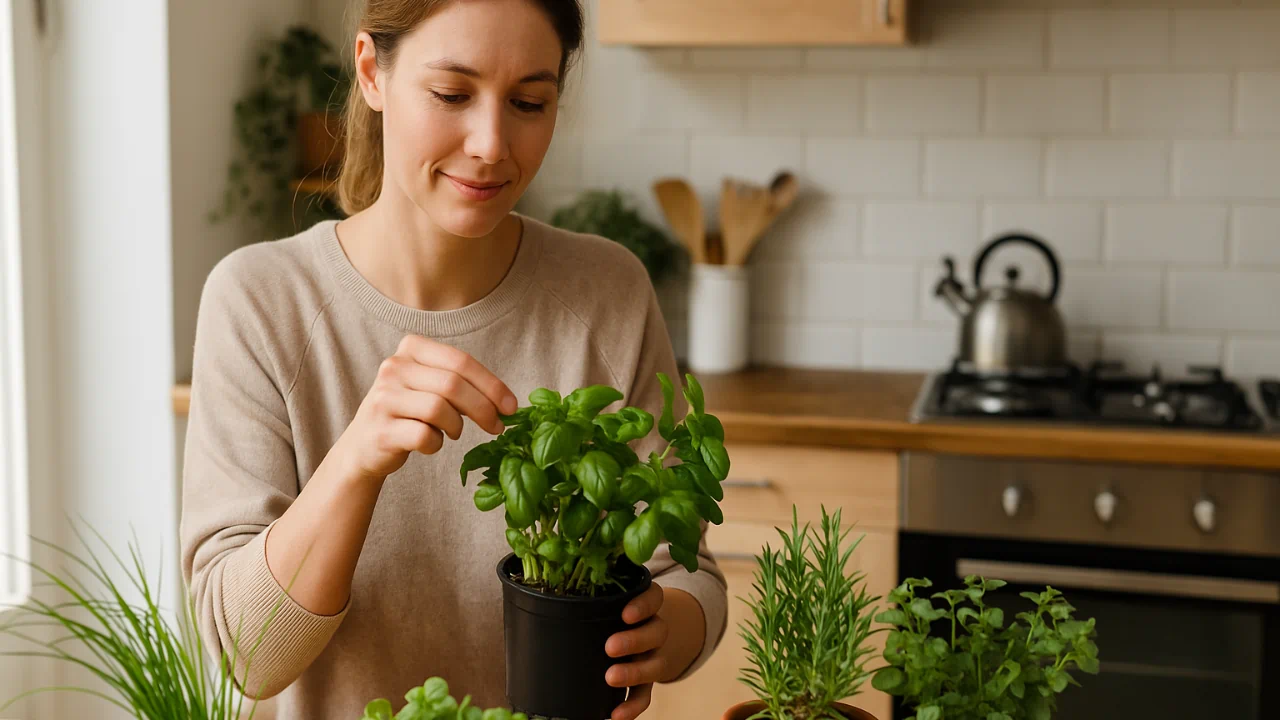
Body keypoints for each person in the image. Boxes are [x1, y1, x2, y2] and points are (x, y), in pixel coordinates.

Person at [178, 1, 728, 719]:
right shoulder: (260, 301)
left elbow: (686, 573)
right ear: (373, 72)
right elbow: (248, 657)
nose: (493, 143)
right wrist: (356, 461)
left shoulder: (606, 292)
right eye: (452, 95)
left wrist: (669, 631)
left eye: (530, 102)